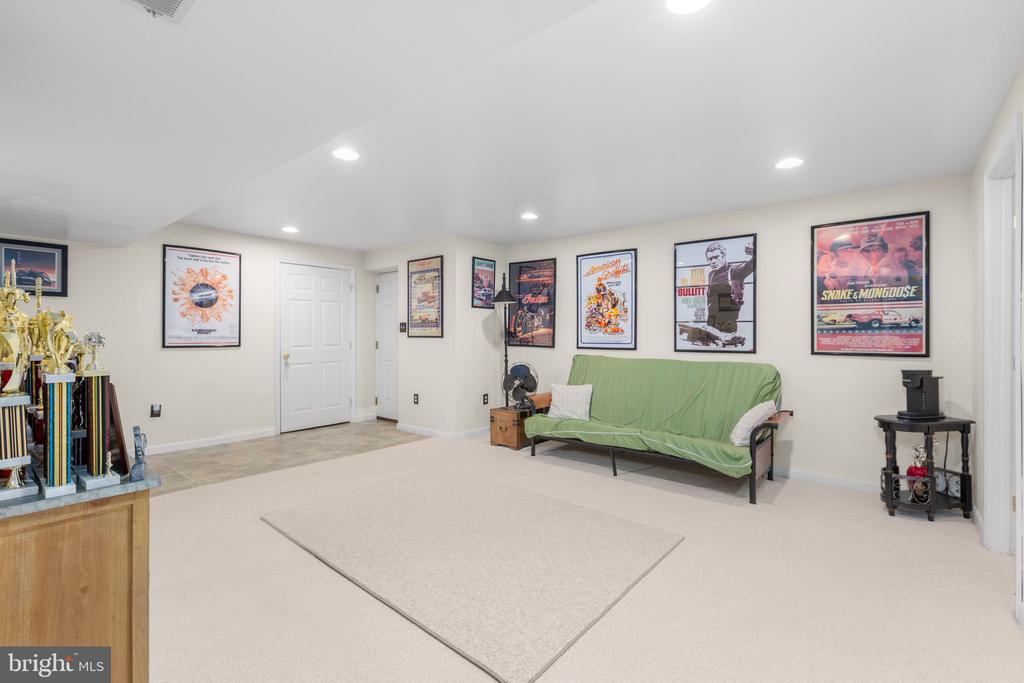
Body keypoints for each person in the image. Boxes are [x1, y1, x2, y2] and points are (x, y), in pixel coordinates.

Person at [704, 240, 754, 338]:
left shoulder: (733, 270)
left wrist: (754, 253)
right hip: (711, 323)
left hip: (727, 326)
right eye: (710, 259)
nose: (713, 261)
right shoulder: (711, 274)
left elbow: (748, 266)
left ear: (723, 256)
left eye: (716, 257)